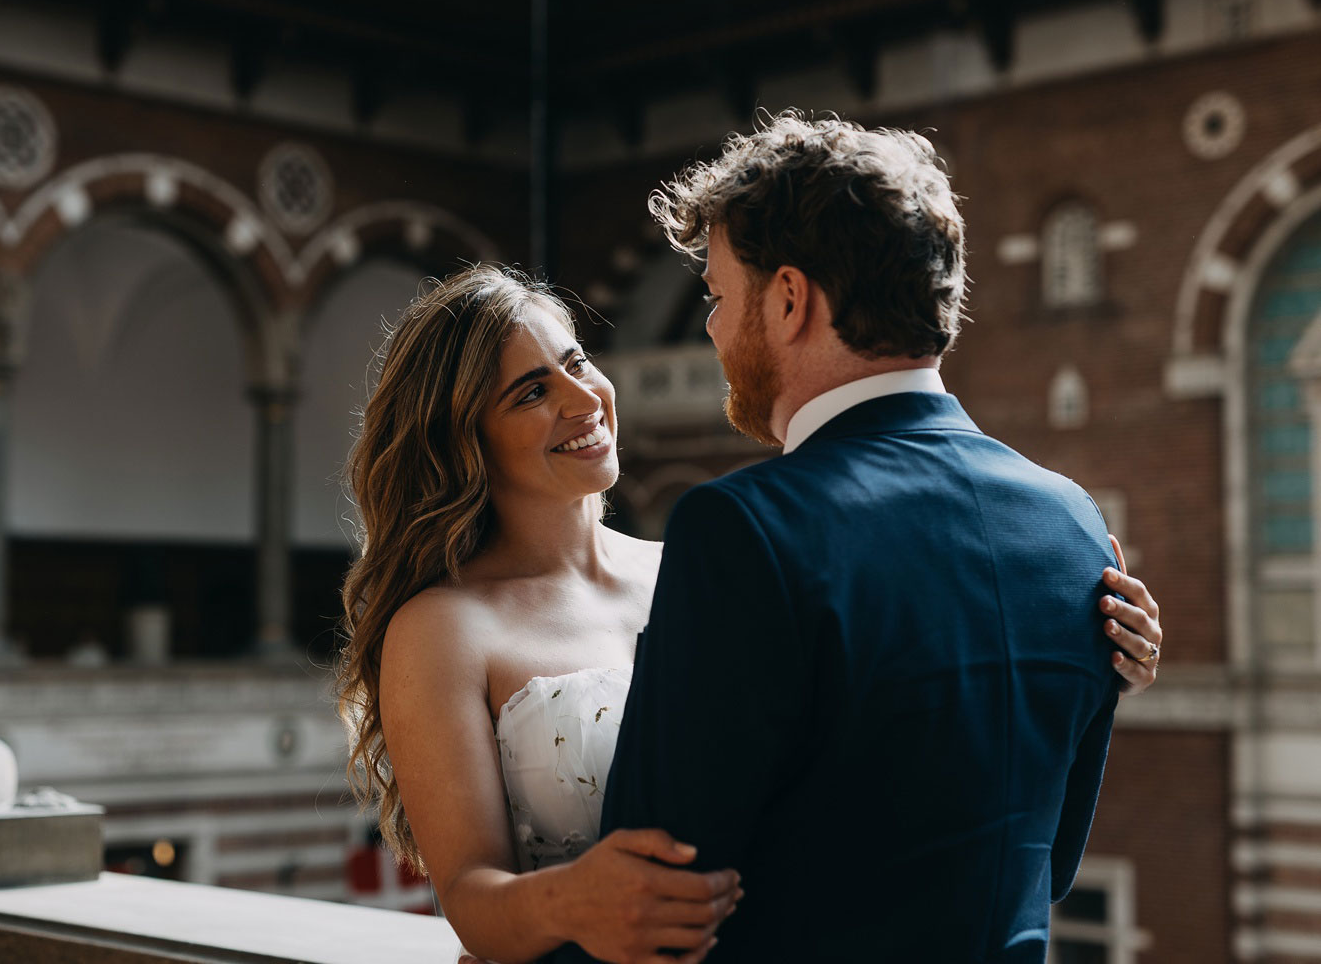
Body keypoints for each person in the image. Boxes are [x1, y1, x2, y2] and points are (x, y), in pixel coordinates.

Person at [337, 240, 1161, 959]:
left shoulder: (698, 567)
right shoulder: (442, 629)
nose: (584, 401)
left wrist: (1088, 656)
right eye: (528, 392)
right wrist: (568, 905)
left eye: (577, 362)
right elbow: (475, 899)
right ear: (460, 439)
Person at [547, 112, 1158, 962]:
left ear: (791, 299)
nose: (717, 331)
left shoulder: (743, 529)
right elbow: (1047, 864)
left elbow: (658, 891)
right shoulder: (1076, 525)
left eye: (720, 298)